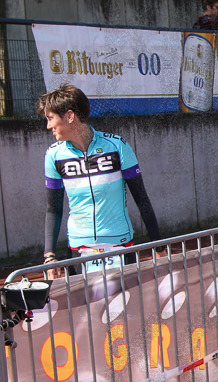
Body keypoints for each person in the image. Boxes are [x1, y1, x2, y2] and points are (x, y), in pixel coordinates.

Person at [38, 84, 162, 278]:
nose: (48, 126)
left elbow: (142, 199)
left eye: (50, 118)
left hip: (120, 245)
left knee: (125, 307)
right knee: (85, 308)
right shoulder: (54, 155)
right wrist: (50, 256)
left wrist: (158, 245)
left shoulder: (116, 146)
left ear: (70, 116)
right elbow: (53, 209)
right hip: (79, 248)